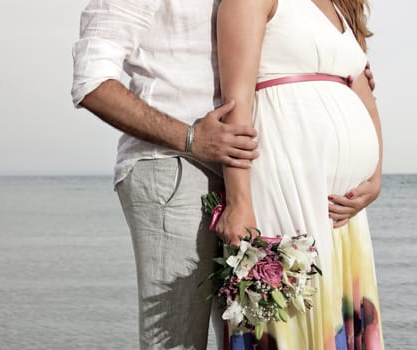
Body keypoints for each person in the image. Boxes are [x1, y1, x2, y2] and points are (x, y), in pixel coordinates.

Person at [71, 1, 379, 348]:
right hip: (175, 167)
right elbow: (91, 81)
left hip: (254, 173)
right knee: (179, 339)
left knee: (259, 329)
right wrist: (190, 139)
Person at [215, 0, 384, 349]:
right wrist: (239, 202)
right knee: (289, 318)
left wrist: (375, 178)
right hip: (284, 185)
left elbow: (364, 95)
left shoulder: (341, 7)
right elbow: (237, 103)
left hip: (343, 214)